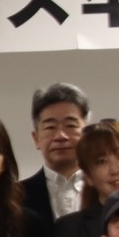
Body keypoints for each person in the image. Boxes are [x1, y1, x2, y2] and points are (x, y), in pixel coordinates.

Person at [22, 83, 89, 227]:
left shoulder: (104, 190)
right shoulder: (14, 197)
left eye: (70, 126)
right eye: (50, 127)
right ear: (36, 138)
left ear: (86, 134)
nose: (60, 136)